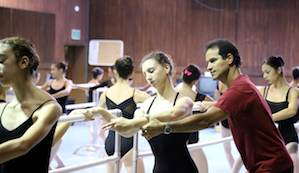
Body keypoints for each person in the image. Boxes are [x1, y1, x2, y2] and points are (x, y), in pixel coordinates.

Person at [140, 39, 294, 173]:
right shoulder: (242, 85)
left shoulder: (239, 90)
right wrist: (214, 104)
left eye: (213, 61)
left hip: (272, 166)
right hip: (265, 164)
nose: (208, 67)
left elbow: (204, 121)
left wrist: (163, 127)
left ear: (229, 59)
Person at [102, 51, 198, 173]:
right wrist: (101, 113)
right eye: (145, 74)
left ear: (166, 68)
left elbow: (172, 114)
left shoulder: (183, 101)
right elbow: (129, 132)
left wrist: (134, 122)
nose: (148, 77)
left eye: (151, 71)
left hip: (184, 169)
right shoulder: (147, 105)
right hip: (159, 169)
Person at [0, 36, 62, 173]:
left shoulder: (49, 108)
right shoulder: (3, 107)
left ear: (23, 62)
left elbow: (23, 145)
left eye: (1, 60)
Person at [259, 56, 299, 173]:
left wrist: (267, 119)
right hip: (268, 138)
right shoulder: (262, 91)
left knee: (292, 158)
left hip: (287, 136)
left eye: (267, 72)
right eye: (263, 73)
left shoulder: (293, 91)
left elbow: (291, 111)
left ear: (279, 70)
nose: (264, 76)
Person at [176, 64, 213, 173]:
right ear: (196, 80)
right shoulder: (202, 99)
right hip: (193, 143)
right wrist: (201, 103)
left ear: (182, 75)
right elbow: (220, 104)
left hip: (174, 143)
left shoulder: (173, 94)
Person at [41, 61, 73, 169]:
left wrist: (52, 95)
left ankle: (47, 164)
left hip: (62, 114)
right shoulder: (50, 82)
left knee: (60, 138)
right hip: (49, 113)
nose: (51, 72)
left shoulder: (67, 82)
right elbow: (39, 90)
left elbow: (66, 92)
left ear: (60, 70)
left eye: (53, 69)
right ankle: (58, 164)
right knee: (49, 139)